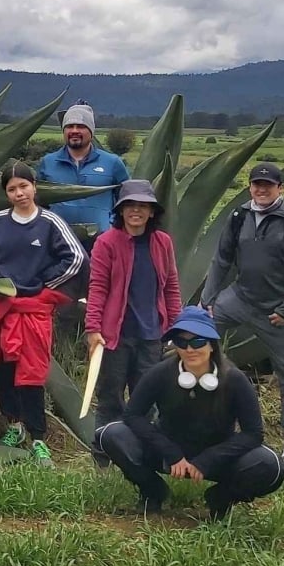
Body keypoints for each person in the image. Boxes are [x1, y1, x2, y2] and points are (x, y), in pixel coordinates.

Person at [95, 306, 284, 519]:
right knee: (110, 435)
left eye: (197, 342)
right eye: (182, 342)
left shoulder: (235, 380)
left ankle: (221, 498)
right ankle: (153, 491)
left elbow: (253, 433)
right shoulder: (161, 373)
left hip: (219, 457)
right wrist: (171, 453)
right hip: (167, 452)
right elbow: (133, 415)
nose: (189, 349)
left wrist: (208, 460)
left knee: (273, 467)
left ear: (212, 345)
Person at [201, 161, 284, 463]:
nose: (261, 190)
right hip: (239, 298)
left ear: (280, 188)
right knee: (195, 340)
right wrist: (208, 299)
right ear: (250, 187)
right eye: (256, 184)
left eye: (268, 185)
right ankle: (182, 419)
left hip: (276, 311)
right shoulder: (240, 216)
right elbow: (222, 258)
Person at [0, 162, 85, 467]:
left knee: (32, 374)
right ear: (6, 194)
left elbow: (75, 258)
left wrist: (43, 284)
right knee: (4, 371)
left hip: (33, 311)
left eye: (24, 186)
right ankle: (14, 426)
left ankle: (38, 437)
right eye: (12, 189)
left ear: (34, 186)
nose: (19, 193)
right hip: (3, 309)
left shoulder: (50, 223)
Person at [84, 179, 183, 462]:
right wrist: (93, 329)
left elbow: (171, 287)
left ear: (152, 212)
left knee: (145, 400)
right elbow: (98, 287)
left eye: (142, 206)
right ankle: (103, 457)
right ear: (121, 210)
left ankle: (141, 456)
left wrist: (176, 327)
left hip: (152, 336)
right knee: (110, 398)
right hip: (114, 336)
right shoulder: (107, 242)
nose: (136, 211)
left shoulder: (162, 243)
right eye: (130, 206)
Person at [35, 101, 130, 241]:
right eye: (69, 126)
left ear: (91, 131)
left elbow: (126, 200)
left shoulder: (112, 163)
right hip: (59, 242)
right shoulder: (48, 162)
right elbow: (38, 203)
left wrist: (112, 225)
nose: (74, 131)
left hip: (103, 242)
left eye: (81, 126)